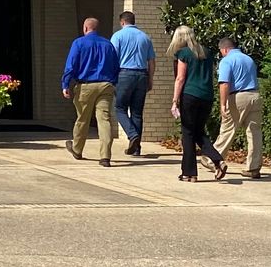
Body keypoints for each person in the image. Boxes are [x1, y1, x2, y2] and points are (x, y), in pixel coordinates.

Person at [166, 25, 226, 182]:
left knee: (188, 133)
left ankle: (189, 172)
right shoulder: (207, 52)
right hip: (206, 96)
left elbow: (180, 78)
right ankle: (218, 160)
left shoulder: (184, 53)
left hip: (190, 95)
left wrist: (174, 100)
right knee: (198, 132)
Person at [61, 16, 121, 167]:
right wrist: (113, 82)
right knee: (104, 120)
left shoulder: (79, 43)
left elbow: (71, 65)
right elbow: (116, 66)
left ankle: (77, 149)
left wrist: (65, 84)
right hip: (106, 85)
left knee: (83, 118)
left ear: (85, 28)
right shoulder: (108, 44)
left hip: (86, 85)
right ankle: (105, 156)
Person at [215, 34, 264, 176]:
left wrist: (223, 104)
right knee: (254, 132)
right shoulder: (249, 59)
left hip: (238, 97)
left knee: (228, 129)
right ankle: (253, 167)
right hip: (254, 95)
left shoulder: (226, 61)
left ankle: (214, 159)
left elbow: (224, 83)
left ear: (224, 49)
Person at [111, 12, 156, 157]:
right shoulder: (145, 37)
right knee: (137, 112)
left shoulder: (118, 36)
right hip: (142, 74)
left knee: (120, 108)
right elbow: (151, 62)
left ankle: (132, 135)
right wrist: (150, 79)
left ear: (122, 22)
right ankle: (136, 148)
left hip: (124, 74)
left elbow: (113, 59)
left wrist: (112, 78)